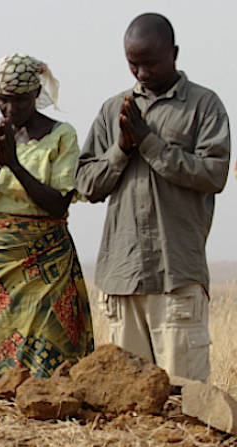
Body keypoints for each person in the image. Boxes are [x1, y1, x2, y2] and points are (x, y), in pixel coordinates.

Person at [76, 13, 230, 382]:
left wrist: (150, 142)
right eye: (133, 63)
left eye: (151, 62)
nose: (141, 73)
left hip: (175, 275)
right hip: (122, 277)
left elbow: (214, 173)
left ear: (174, 53)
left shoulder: (204, 106)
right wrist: (121, 150)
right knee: (126, 405)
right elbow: (85, 184)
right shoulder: (113, 110)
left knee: (185, 401)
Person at [0, 54, 94, 378]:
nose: (11, 110)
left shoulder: (61, 135)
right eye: (3, 101)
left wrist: (16, 164)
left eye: (19, 101)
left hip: (47, 266)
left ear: (35, 94)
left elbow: (58, 205)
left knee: (47, 363)